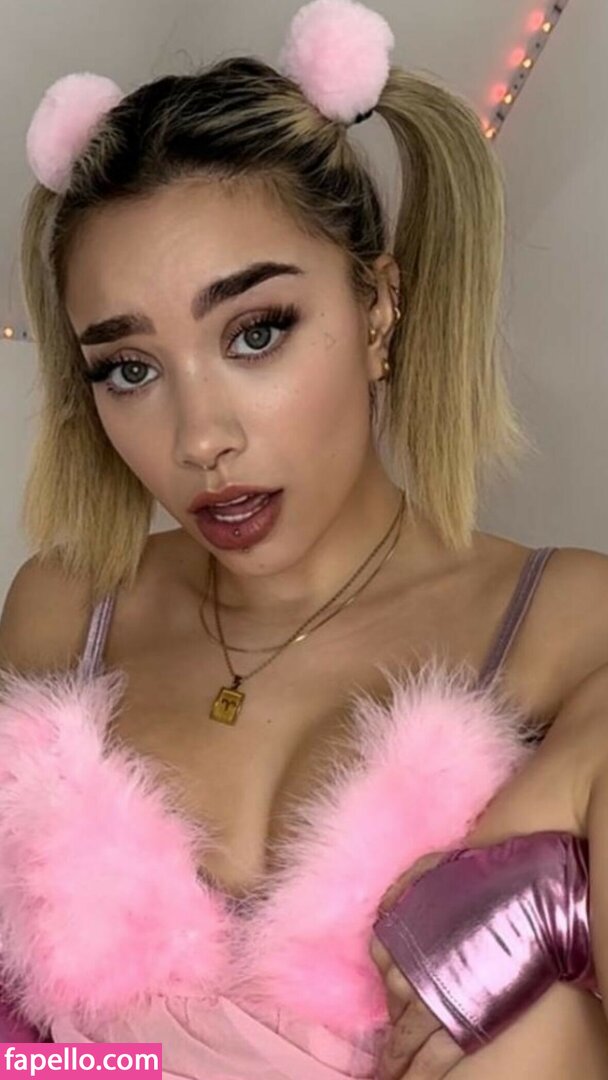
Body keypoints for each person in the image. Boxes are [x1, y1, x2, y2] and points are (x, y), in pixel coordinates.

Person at [1, 0, 608, 1076]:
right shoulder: (65, 612)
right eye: (129, 368)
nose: (201, 439)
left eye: (255, 333)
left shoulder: (564, 625)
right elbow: (25, 1051)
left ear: (377, 309)